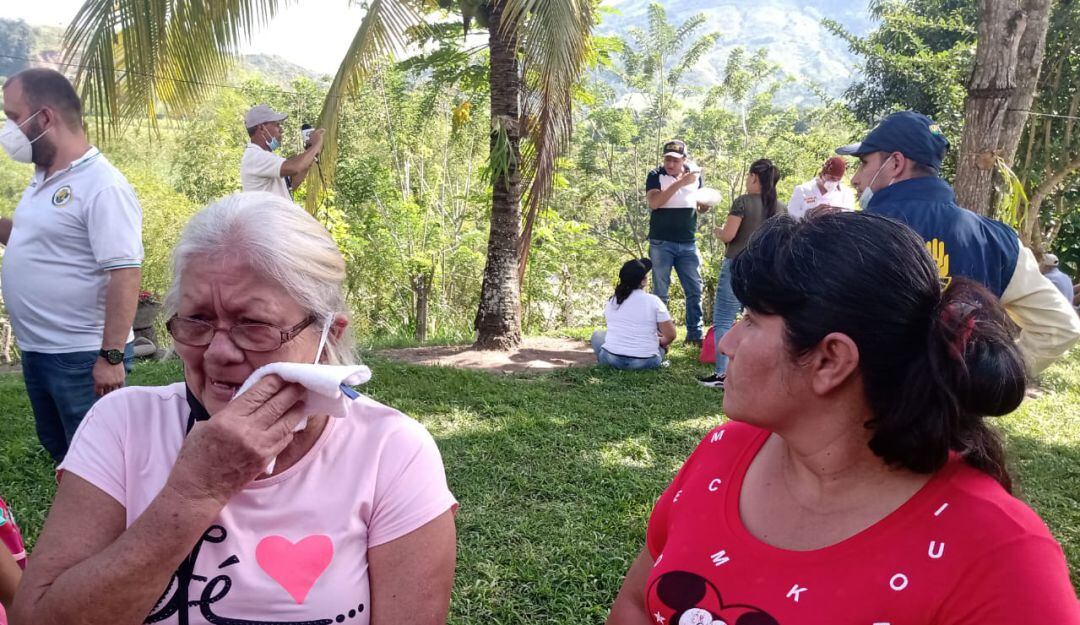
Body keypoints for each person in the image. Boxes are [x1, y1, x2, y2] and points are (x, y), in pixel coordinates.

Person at [606, 213, 1080, 624]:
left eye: (750, 320)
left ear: (831, 360)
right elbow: (635, 604)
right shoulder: (725, 450)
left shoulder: (1003, 561)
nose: (726, 344)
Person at [12, 193, 457, 625]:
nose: (218, 353)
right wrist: (194, 492)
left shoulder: (391, 451)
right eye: (197, 320)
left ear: (330, 337)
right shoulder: (123, 425)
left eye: (255, 325)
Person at [838, 110, 1080, 374]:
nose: (855, 178)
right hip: (954, 413)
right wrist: (985, 380)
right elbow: (1060, 327)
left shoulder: (851, 234)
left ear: (895, 163)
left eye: (863, 162)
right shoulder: (999, 241)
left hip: (866, 411)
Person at [0, 68, 141, 463]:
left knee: (99, 464)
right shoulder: (42, 178)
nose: (7, 130)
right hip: (39, 351)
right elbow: (35, 240)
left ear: (44, 118)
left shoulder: (102, 185)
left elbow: (125, 271)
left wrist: (110, 357)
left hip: (81, 356)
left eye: (12, 117)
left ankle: (113, 525)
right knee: (62, 452)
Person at [698, 159, 781, 389]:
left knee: (724, 318)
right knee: (758, 318)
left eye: (748, 176)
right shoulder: (780, 208)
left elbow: (729, 235)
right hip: (766, 269)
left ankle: (722, 374)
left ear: (754, 177)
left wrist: (717, 231)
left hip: (737, 264)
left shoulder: (743, 202)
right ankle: (759, 371)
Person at [645, 139, 708, 346]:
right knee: (661, 291)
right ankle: (659, 336)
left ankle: (694, 334)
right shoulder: (656, 175)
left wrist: (707, 202)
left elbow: (700, 206)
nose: (670, 164)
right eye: (667, 159)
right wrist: (681, 183)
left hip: (688, 242)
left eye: (675, 160)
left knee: (694, 289)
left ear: (684, 160)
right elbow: (654, 203)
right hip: (661, 242)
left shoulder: (696, 176)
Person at [591, 258, 677, 370]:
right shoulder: (653, 300)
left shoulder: (612, 301)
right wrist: (659, 341)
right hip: (646, 362)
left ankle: (606, 362)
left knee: (598, 335)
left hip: (611, 360)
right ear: (644, 281)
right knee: (659, 347)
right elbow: (671, 335)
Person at [240, 104, 325, 200]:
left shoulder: (266, 157)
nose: (281, 130)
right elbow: (295, 167)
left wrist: (311, 154)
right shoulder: (255, 157)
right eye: (277, 125)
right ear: (262, 128)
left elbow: (292, 185)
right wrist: (316, 143)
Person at [785, 156, 855, 219]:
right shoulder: (803, 190)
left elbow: (850, 215)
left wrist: (839, 212)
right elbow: (791, 212)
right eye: (832, 178)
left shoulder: (845, 193)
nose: (834, 182)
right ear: (823, 174)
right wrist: (809, 214)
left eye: (838, 179)